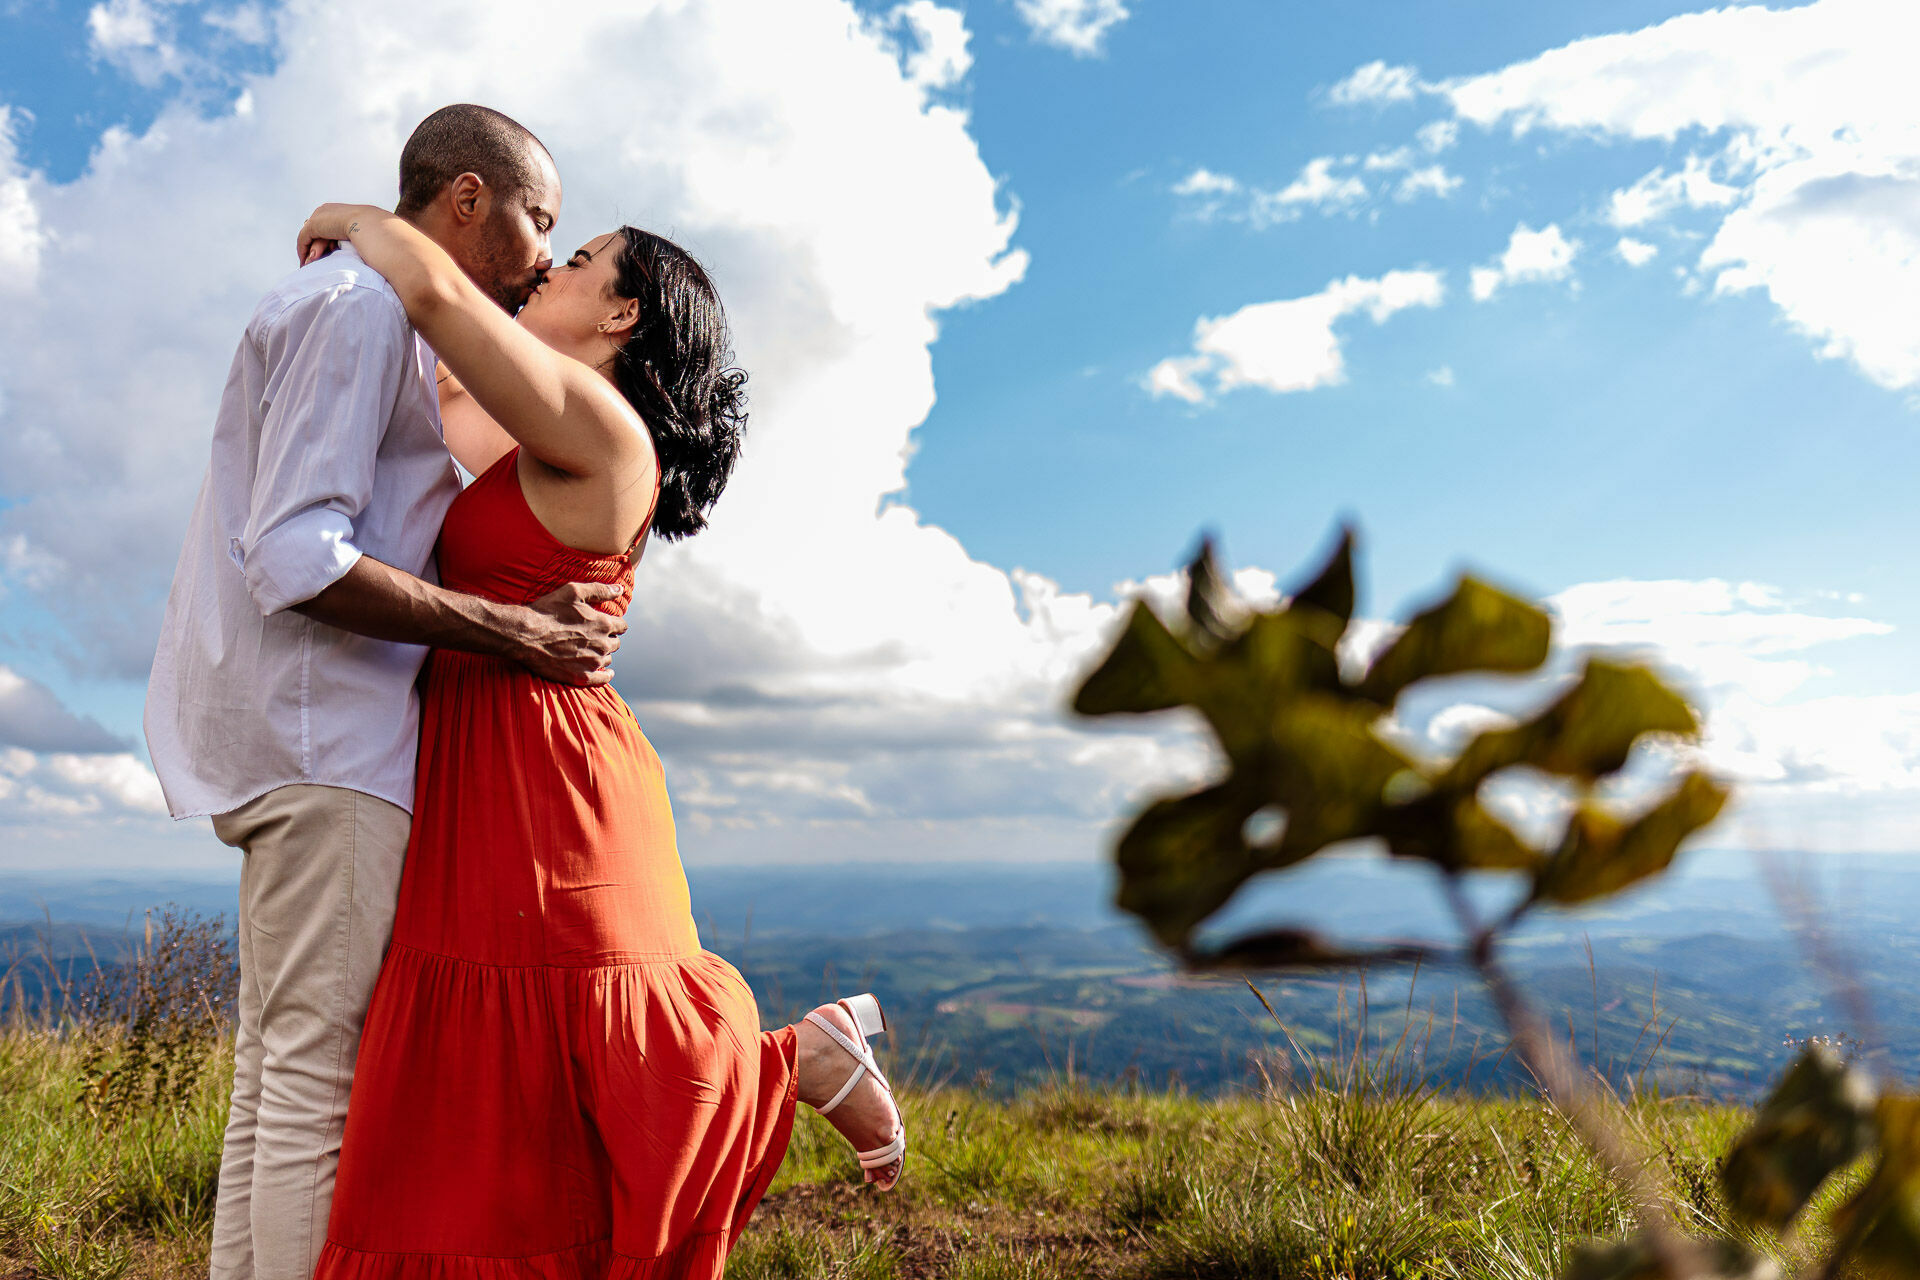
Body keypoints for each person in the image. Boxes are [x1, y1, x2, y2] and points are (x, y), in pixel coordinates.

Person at [293, 198, 906, 1276]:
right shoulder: (531, 419)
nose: (545, 272)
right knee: (503, 1089)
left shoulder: (606, 428)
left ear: (622, 313)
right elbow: (428, 387)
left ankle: (795, 1060)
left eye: (575, 261)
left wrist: (351, 217)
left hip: (551, 777)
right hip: (484, 758)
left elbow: (435, 296)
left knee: (603, 1042)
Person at [144, 106, 629, 1280]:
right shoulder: (358, 310)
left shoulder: (372, 311)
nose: (538, 256)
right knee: (314, 1079)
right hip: (330, 742)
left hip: (282, 733)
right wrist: (513, 628)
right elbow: (298, 557)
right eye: (538, 223)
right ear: (469, 199)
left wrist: (353, 222)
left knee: (274, 1067)